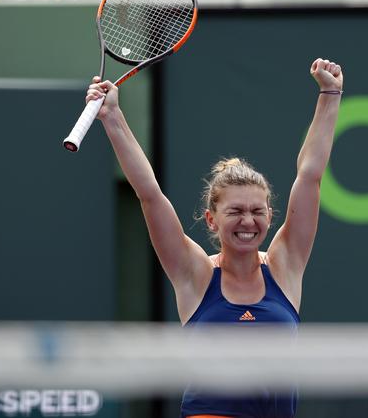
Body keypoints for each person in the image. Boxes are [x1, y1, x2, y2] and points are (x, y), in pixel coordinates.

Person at [86, 57, 343, 418]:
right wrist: (113, 118)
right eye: (235, 212)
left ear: (271, 215)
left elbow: (311, 175)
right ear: (211, 219)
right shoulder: (194, 274)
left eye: (257, 211)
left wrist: (330, 94)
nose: (248, 221)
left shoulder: (286, 264)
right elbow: (150, 194)